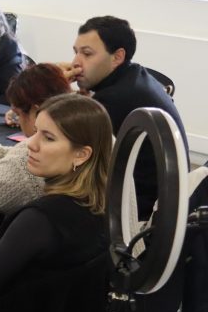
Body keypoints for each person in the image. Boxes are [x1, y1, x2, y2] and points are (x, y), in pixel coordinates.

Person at [0, 93, 112, 304]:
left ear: (81, 154)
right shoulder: (103, 201)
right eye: (36, 132)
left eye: (48, 138)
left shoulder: (41, 220)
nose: (31, 144)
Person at [68, 15, 188, 218]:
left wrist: (45, 97)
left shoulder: (116, 99)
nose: (75, 63)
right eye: (76, 52)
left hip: (135, 214)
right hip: (161, 200)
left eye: (87, 54)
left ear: (117, 57)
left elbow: (67, 150)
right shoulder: (134, 78)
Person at [0, 63, 72, 214]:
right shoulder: (83, 122)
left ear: (36, 111)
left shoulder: (31, 161)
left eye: (19, 115)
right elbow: (19, 155)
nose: (30, 143)